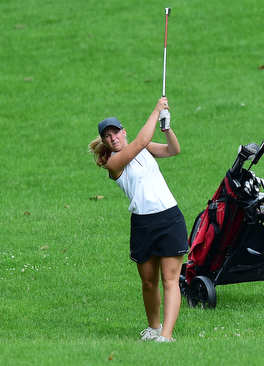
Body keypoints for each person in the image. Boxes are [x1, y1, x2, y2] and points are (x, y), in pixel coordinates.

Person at [89, 97, 188, 342]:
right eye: (108, 137)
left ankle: (166, 335)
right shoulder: (115, 163)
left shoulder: (143, 148)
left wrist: (166, 129)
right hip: (143, 224)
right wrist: (156, 110)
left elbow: (173, 150)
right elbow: (142, 140)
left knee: (169, 279)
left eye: (116, 133)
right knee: (148, 282)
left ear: (124, 132)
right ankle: (154, 328)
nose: (113, 138)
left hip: (169, 218)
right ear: (105, 142)